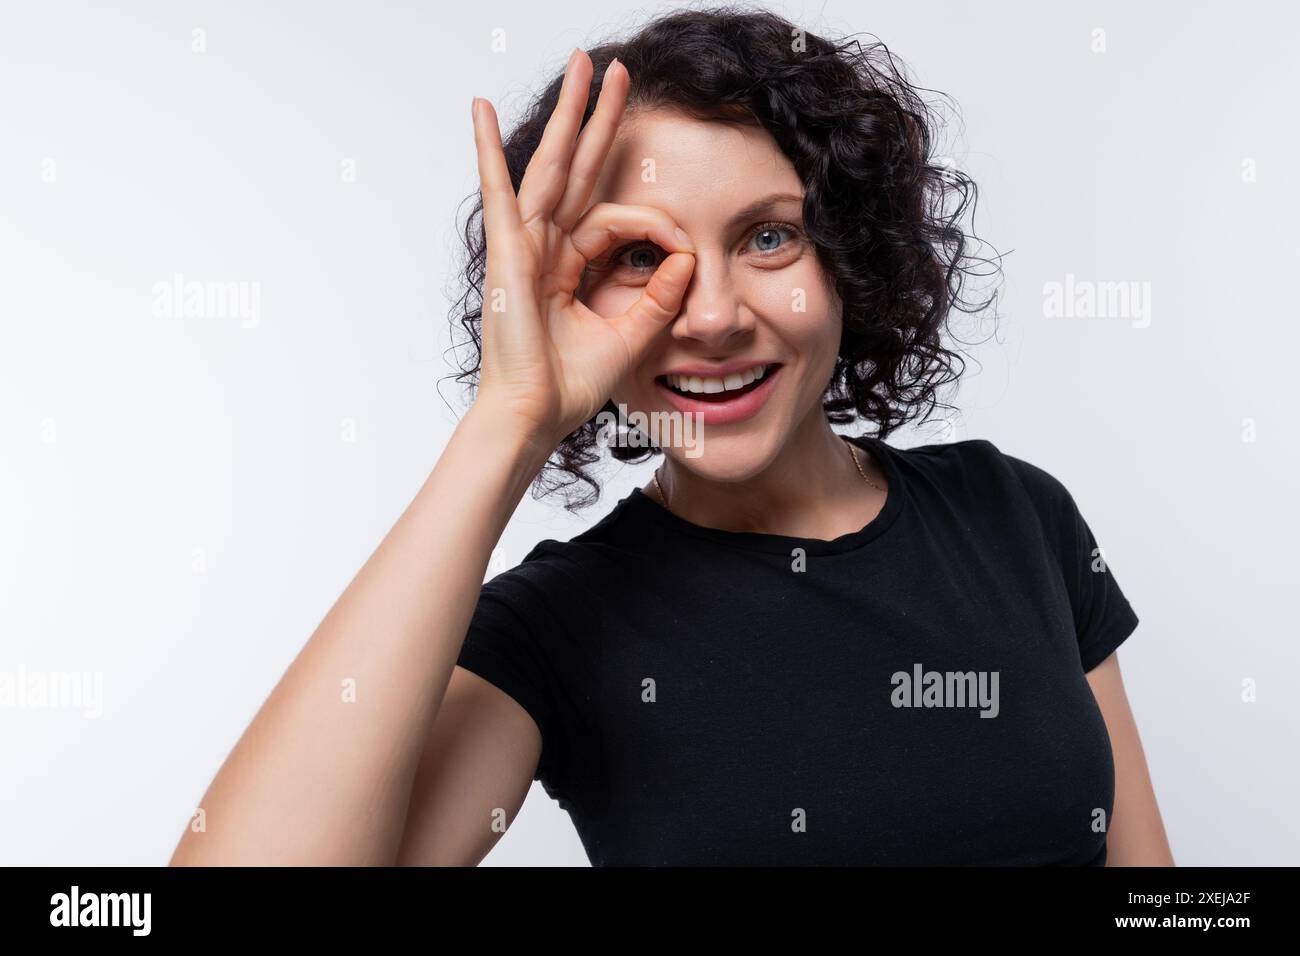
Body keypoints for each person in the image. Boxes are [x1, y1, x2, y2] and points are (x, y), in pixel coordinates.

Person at [170, 7, 1173, 867]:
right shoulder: (559, 625)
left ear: (848, 256)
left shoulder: (1016, 513)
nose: (708, 316)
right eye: (642, 254)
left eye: (768, 234)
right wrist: (506, 422)